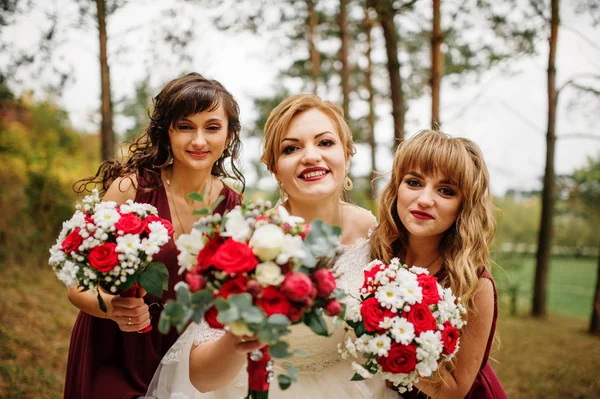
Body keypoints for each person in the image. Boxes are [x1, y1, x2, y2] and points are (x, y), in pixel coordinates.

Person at [145, 94, 395, 398]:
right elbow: (200, 377)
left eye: (325, 143)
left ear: (347, 153)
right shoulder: (248, 241)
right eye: (291, 148)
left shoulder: (376, 232)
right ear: (275, 168)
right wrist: (238, 340)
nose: (311, 156)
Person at [63, 72, 244, 399]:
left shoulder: (235, 211)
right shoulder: (131, 188)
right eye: (185, 126)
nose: (199, 140)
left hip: (186, 361)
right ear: (167, 132)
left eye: (212, 127)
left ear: (230, 135)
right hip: (114, 351)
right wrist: (112, 308)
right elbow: (77, 287)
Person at [370, 130, 507, 398]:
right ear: (396, 187)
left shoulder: (475, 284)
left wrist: (384, 348)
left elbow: (455, 391)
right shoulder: (377, 255)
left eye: (445, 190)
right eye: (414, 182)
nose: (424, 199)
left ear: (463, 205)